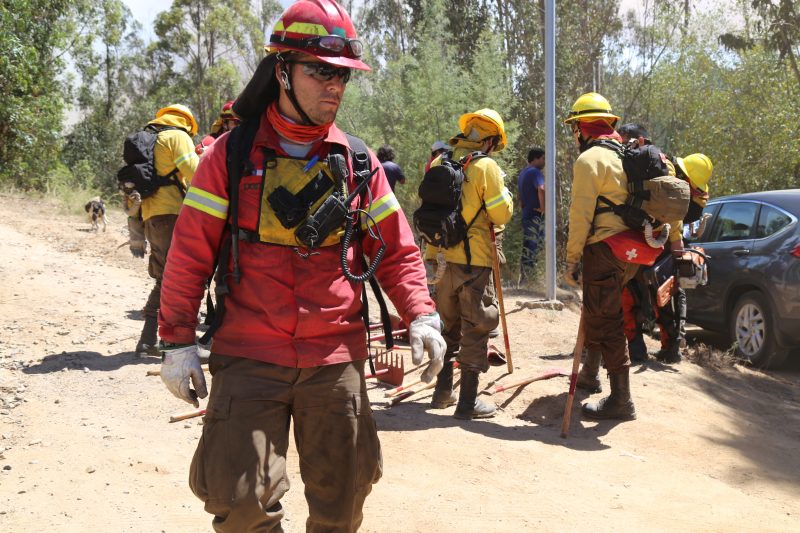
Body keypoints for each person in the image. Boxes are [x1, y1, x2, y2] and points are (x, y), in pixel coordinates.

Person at [155, 1, 446, 530]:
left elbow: (397, 249)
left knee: (343, 505)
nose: (334, 87)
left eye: (342, 76)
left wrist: (421, 314)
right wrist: (176, 342)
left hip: (334, 357)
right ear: (282, 70)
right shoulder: (230, 155)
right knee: (240, 504)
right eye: (321, 72)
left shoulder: (358, 162)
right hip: (249, 353)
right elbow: (190, 254)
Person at [424, 108, 513, 419]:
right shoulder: (486, 167)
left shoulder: (439, 162)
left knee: (447, 326)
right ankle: (468, 403)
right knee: (477, 327)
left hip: (439, 260)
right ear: (490, 141)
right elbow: (501, 215)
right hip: (473, 262)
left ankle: (442, 393)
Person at [563, 92, 641, 421]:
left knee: (608, 322)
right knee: (600, 309)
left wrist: (571, 260)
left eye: (575, 128)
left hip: (604, 249)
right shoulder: (625, 154)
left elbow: (580, 215)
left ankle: (621, 401)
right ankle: (591, 375)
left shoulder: (590, 160)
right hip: (630, 252)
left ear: (583, 126)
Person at [132, 104, 199, 358]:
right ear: (187, 123)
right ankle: (173, 343)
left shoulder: (152, 138)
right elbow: (197, 173)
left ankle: (150, 340)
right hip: (172, 215)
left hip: (151, 216)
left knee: (166, 277)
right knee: (177, 278)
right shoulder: (177, 136)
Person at [517, 147, 545, 283]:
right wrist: (543, 208)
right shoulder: (535, 172)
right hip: (535, 215)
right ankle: (531, 279)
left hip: (526, 213)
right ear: (535, 158)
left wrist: (523, 205)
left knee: (527, 245)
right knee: (535, 245)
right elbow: (541, 188)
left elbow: (519, 195)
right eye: (543, 158)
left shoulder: (523, 172)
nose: (544, 162)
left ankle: (524, 278)